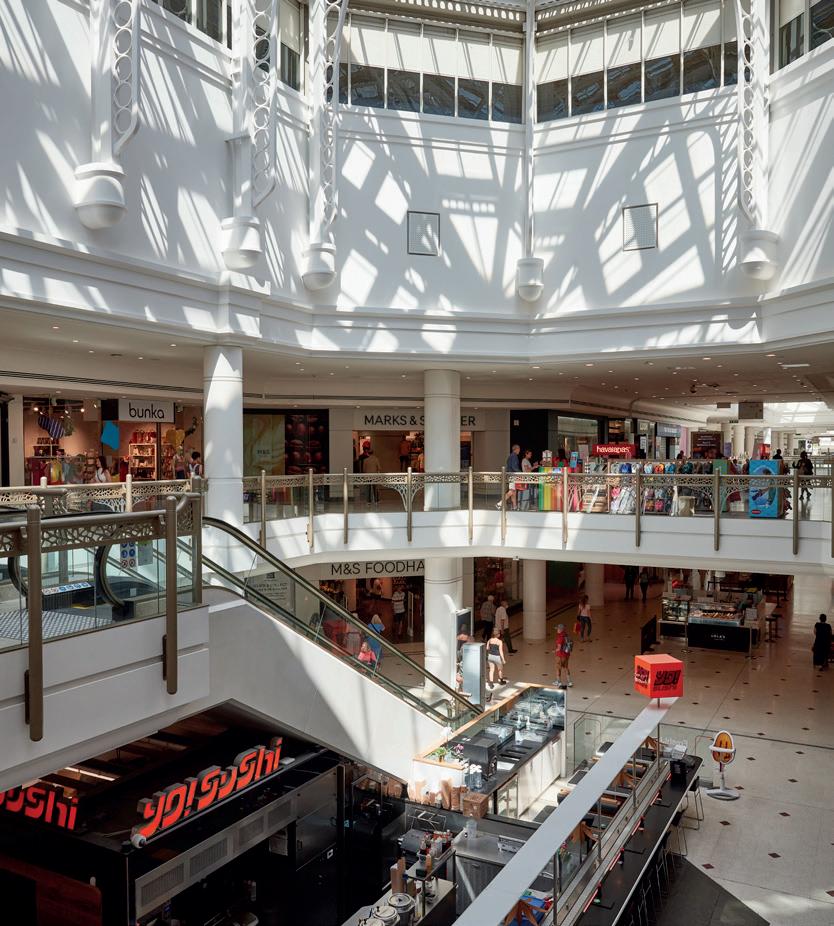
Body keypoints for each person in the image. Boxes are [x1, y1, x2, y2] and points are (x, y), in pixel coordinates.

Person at [498, 444, 522, 510]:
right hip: (513, 476)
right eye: (519, 449)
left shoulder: (510, 456)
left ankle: (514, 507)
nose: (519, 450)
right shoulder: (514, 456)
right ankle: (499, 503)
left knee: (514, 492)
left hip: (510, 475)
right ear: (516, 449)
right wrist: (520, 473)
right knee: (511, 491)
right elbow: (514, 467)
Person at [554, 623, 573, 688]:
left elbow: (559, 648)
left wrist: (555, 650)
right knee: (566, 667)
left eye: (557, 629)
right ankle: (569, 682)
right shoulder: (566, 635)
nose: (557, 630)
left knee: (558, 668)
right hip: (566, 655)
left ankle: (558, 681)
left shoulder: (560, 637)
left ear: (560, 629)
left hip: (560, 655)